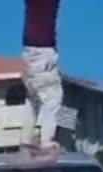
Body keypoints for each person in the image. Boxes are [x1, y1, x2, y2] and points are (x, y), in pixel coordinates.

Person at [20, 0, 63, 154]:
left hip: (27, 52)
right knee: (52, 99)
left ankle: (25, 139)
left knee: (33, 97)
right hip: (43, 51)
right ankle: (46, 141)